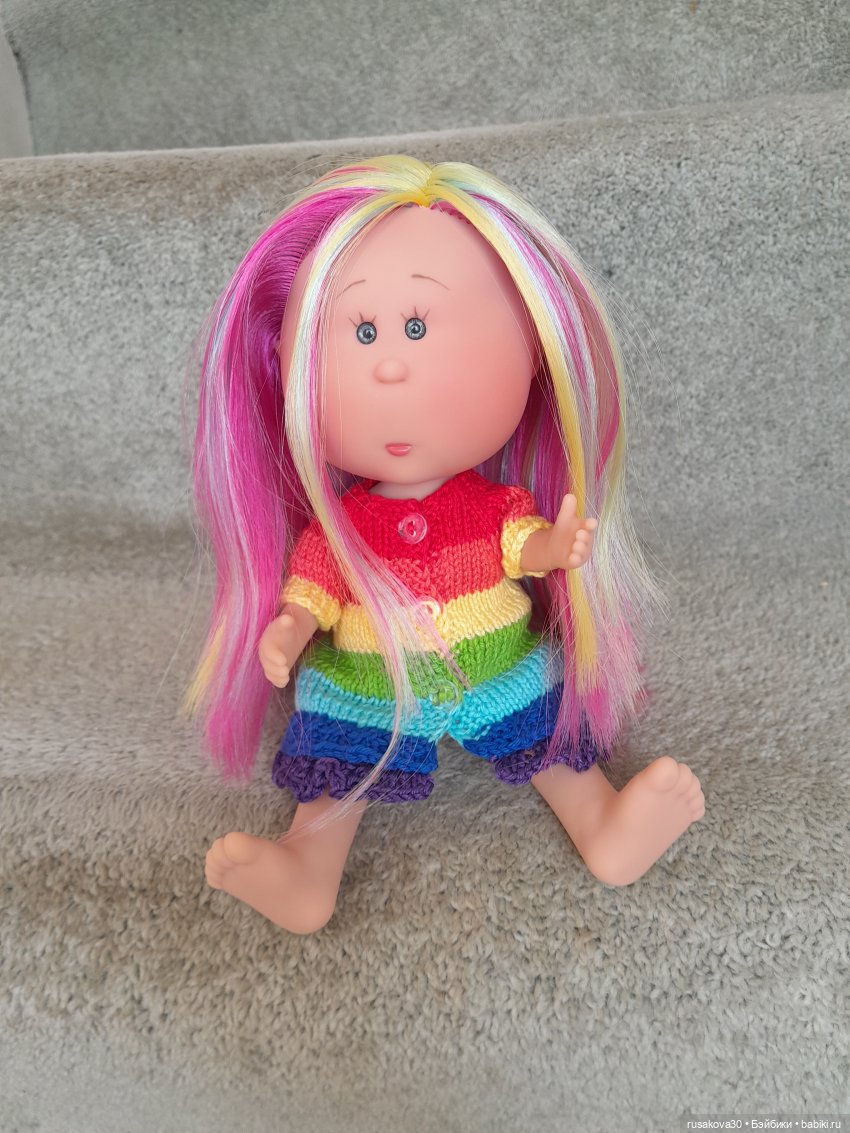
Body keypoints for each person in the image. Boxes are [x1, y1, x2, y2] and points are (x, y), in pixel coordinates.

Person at [185, 156, 705, 933]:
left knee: (553, 745)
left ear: (532, 353)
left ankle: (604, 825)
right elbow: (312, 589)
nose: (390, 364)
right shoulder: (342, 529)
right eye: (361, 332)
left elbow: (519, 544)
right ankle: (306, 869)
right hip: (370, 683)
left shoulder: (491, 506)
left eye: (416, 326)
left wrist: (556, 547)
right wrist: (288, 630)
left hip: (501, 667)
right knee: (336, 773)